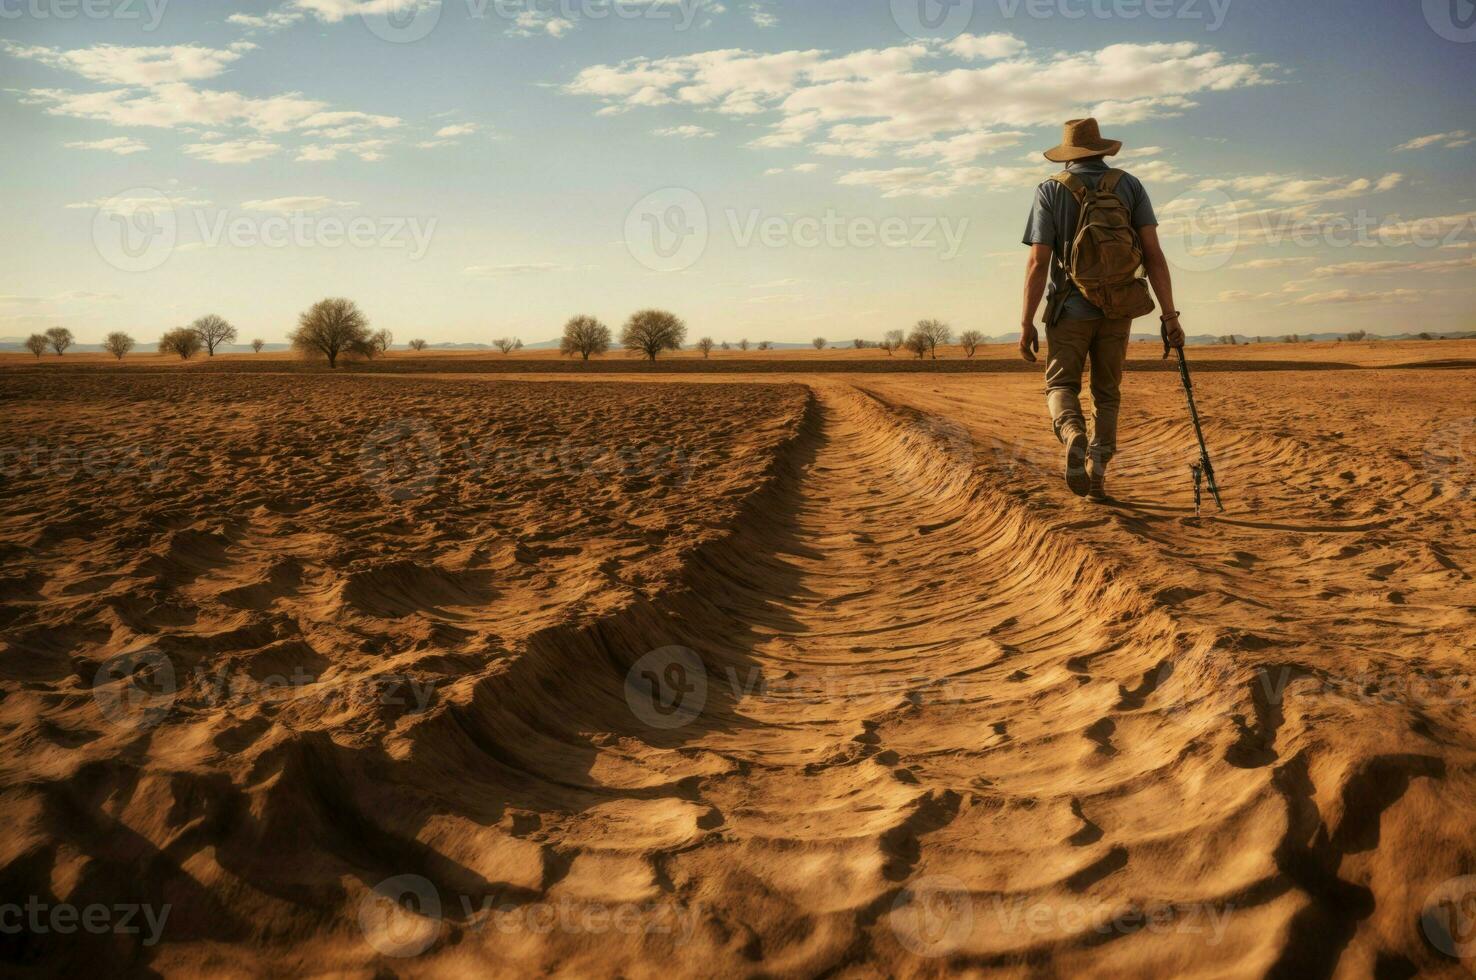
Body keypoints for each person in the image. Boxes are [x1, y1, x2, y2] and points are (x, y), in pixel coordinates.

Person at [1019, 118, 1186, 502]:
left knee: (1061, 385)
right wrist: (1169, 315)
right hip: (1119, 309)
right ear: (1102, 150)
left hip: (1069, 310)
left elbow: (1037, 263)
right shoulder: (1128, 186)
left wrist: (1026, 322)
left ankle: (1072, 432)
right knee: (1107, 393)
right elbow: (1154, 255)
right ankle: (1098, 472)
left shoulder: (1049, 190)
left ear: (1067, 157)